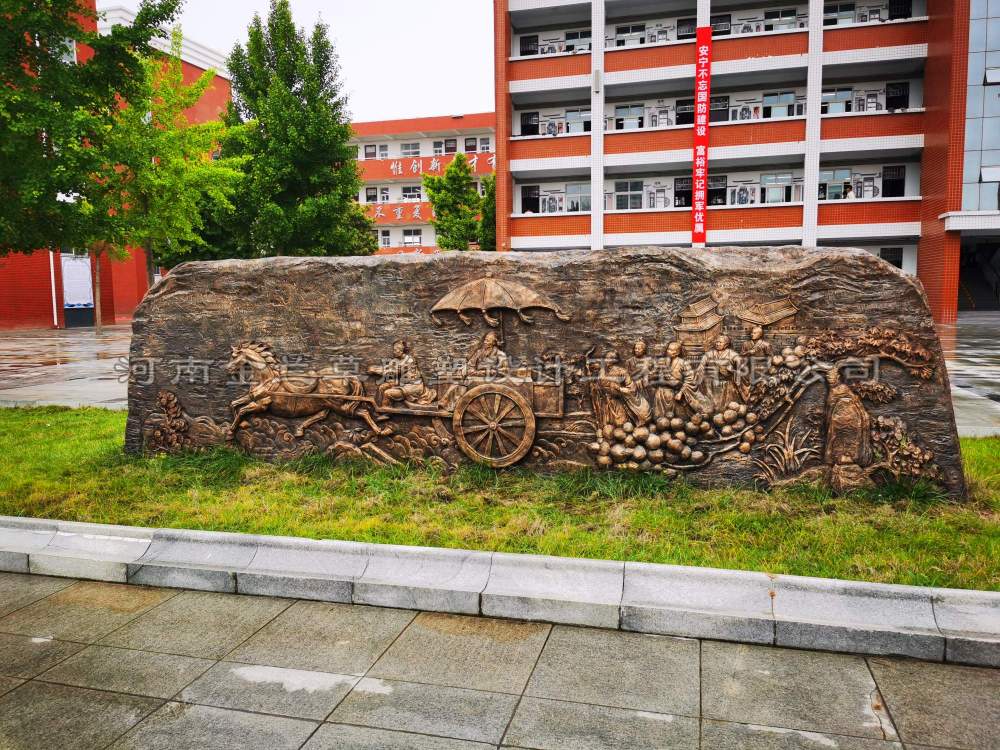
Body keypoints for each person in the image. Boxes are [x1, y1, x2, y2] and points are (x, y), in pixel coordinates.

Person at [367, 340, 436, 408]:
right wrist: (375, 368)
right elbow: (388, 368)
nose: (393, 352)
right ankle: (377, 408)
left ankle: (386, 411)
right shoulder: (396, 360)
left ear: (401, 350)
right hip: (403, 383)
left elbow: (394, 372)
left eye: (395, 350)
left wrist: (375, 370)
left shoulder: (409, 360)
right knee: (382, 387)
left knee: (387, 393)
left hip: (413, 387)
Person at [594, 351, 652, 427]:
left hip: (619, 401)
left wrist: (619, 388)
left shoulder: (622, 372)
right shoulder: (602, 371)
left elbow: (632, 388)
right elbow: (600, 385)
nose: (606, 360)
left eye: (609, 358)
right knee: (608, 425)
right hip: (605, 402)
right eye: (606, 358)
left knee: (621, 423)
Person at [654, 341, 705, 419]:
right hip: (661, 393)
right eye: (668, 349)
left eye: (671, 350)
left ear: (677, 352)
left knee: (680, 418)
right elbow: (654, 375)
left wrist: (681, 392)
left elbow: (690, 380)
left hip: (676, 392)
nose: (668, 351)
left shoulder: (683, 363)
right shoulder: (662, 361)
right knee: (659, 418)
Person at [698, 334, 744, 413]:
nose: (717, 344)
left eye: (720, 342)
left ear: (726, 344)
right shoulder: (709, 354)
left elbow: (741, 370)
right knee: (709, 407)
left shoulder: (733, 355)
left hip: (726, 385)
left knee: (724, 408)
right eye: (717, 342)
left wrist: (731, 370)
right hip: (710, 384)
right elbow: (701, 367)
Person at [626, 339, 655, 404]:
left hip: (646, 385)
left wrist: (647, 376)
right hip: (633, 384)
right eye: (635, 348)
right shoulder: (629, 361)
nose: (636, 350)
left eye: (639, 349)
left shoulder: (649, 360)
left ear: (644, 350)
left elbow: (653, 373)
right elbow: (627, 374)